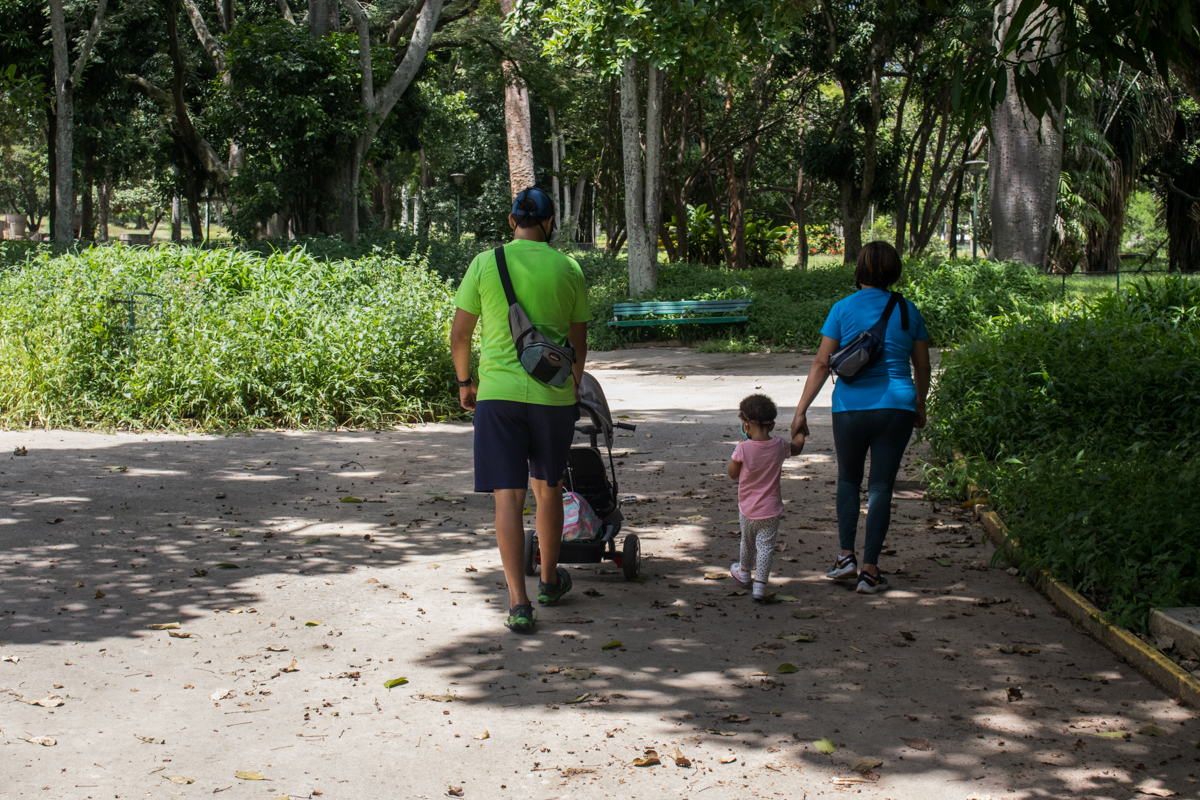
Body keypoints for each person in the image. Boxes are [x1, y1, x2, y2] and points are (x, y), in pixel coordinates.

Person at [449, 187, 591, 633]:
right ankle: (550, 581)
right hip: (552, 400)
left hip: (497, 397)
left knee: (507, 500)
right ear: (550, 223)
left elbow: (460, 335)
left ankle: (518, 604)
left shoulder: (484, 263)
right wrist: (572, 386)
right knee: (548, 489)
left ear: (512, 221)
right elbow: (579, 343)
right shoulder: (569, 268)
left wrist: (465, 383)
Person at [789, 241, 931, 595]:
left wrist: (800, 411)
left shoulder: (842, 308)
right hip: (897, 405)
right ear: (895, 271)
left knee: (849, 480)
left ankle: (845, 558)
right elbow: (923, 365)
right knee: (882, 486)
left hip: (849, 409)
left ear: (860, 270)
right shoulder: (908, 310)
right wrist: (921, 404)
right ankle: (870, 571)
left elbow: (822, 363)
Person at [728, 394, 806, 601]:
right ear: (771, 425)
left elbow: (733, 474)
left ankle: (744, 572)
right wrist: (800, 433)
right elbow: (796, 448)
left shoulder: (743, 449)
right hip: (771, 510)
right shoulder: (779, 445)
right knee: (766, 547)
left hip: (747, 509)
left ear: (745, 424)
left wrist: (737, 452)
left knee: (747, 542)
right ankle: (760, 586)